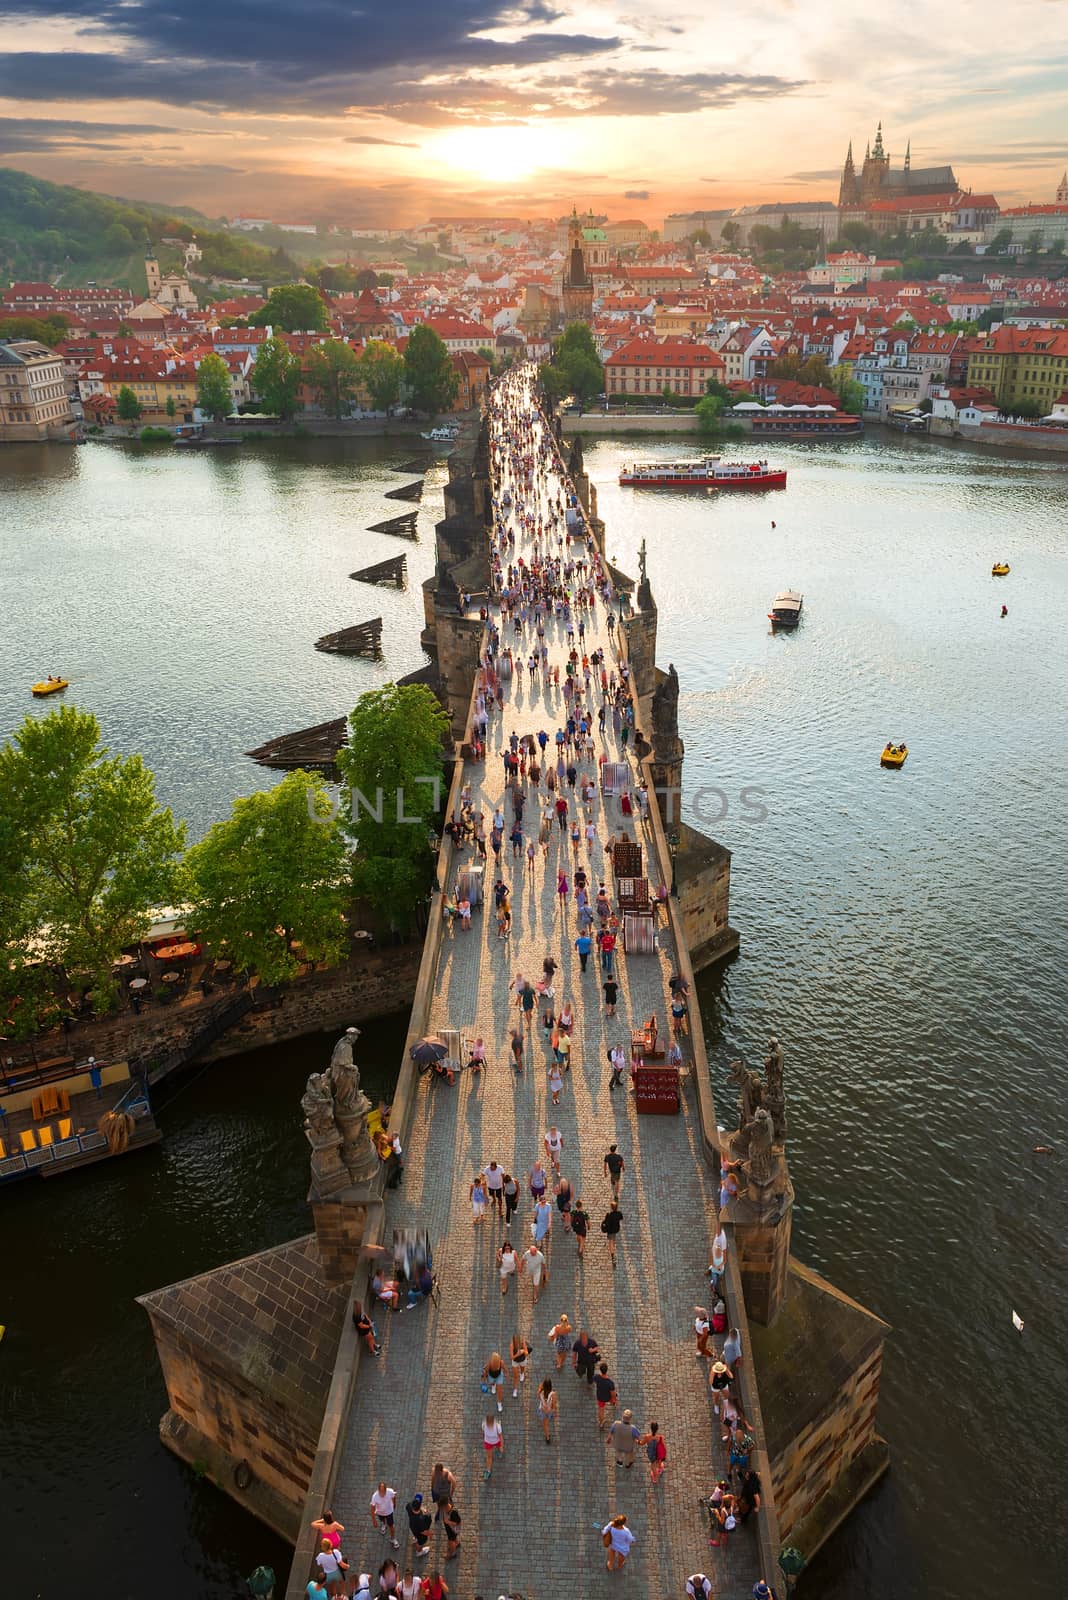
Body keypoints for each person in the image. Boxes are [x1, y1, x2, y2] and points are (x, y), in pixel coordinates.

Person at [370, 1483, 400, 1548]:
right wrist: (374, 1520)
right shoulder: (374, 1496)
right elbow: (372, 1509)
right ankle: (384, 1524)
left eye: (384, 1491)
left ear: (386, 1489)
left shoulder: (390, 1492)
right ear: (378, 1490)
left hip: (389, 1512)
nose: (382, 1494)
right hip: (380, 1513)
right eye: (381, 1491)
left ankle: (393, 1538)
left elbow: (394, 1496)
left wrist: (394, 1504)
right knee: (382, 1520)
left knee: (391, 1526)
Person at [593, 1361, 618, 1428]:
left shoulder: (597, 1377)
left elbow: (594, 1380)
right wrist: (614, 1400)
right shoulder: (610, 1383)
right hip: (608, 1397)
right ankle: (614, 1404)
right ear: (606, 1370)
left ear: (600, 1370)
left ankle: (601, 1423)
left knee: (601, 1410)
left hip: (600, 1397)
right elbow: (613, 1394)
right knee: (613, 1399)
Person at [481, 1411, 503, 1479]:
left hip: (488, 1442)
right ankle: (500, 1452)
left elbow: (483, 1433)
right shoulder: (497, 1426)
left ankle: (488, 1471)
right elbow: (500, 1437)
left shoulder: (484, 1424)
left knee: (489, 1457)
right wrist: (502, 1446)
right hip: (495, 1441)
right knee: (489, 1456)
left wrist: (484, 1438)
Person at [537, 1375, 559, 1443]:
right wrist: (554, 1411)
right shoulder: (553, 1394)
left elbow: (538, 1397)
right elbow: (554, 1405)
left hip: (542, 1410)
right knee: (547, 1422)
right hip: (549, 1411)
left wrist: (540, 1387)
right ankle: (547, 1437)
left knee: (545, 1424)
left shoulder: (540, 1391)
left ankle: (547, 1437)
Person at [509, 1331, 530, 1397]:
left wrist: (523, 1351)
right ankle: (515, 1390)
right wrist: (517, 1354)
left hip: (522, 1359)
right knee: (515, 1377)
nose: (516, 1342)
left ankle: (522, 1373)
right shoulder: (512, 1345)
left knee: (522, 1368)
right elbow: (512, 1357)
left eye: (517, 1340)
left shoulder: (522, 1342)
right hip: (515, 1361)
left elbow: (526, 1353)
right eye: (515, 1340)